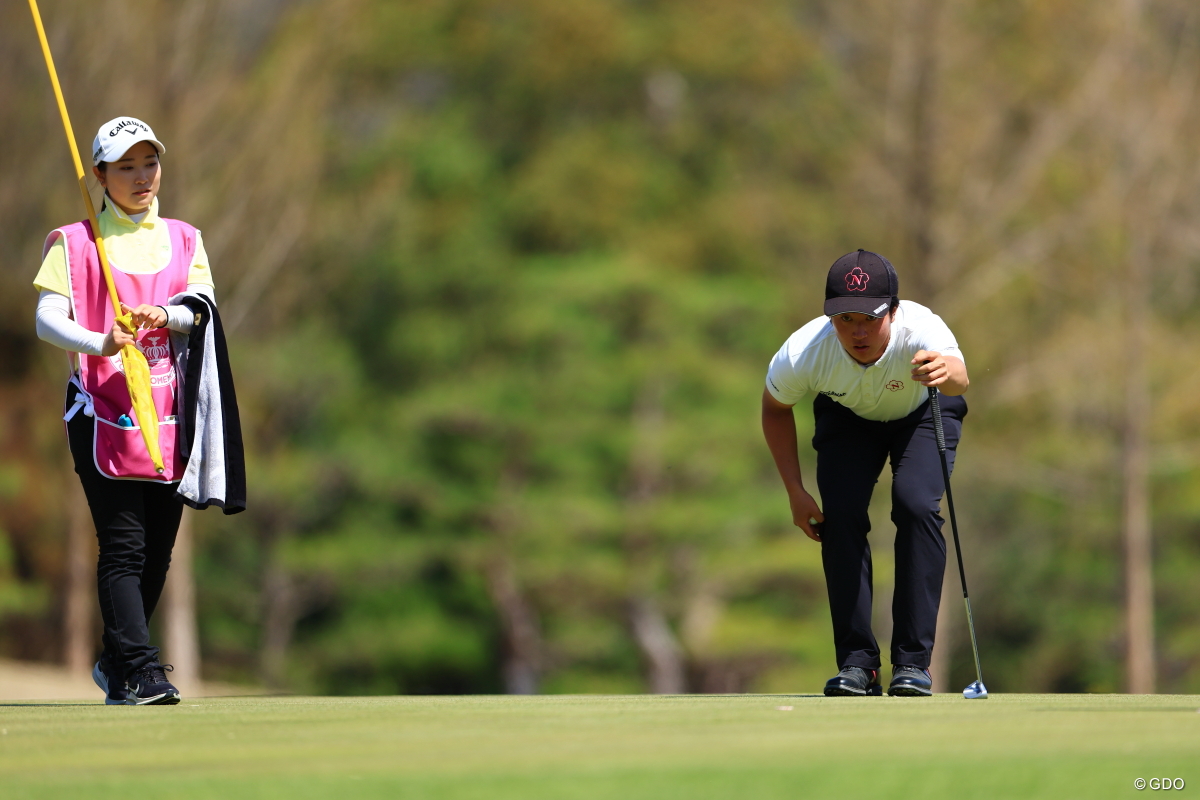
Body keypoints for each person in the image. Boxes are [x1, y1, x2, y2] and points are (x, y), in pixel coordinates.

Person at [33, 116, 236, 705]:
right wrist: (101, 342)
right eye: (125, 166)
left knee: (159, 550)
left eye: (149, 162)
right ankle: (145, 671)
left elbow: (202, 304)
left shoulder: (185, 237)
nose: (142, 176)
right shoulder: (74, 240)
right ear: (99, 174)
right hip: (101, 411)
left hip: (172, 414)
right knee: (124, 545)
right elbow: (47, 319)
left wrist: (163, 316)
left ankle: (117, 663)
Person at [761, 250, 969, 697]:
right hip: (848, 416)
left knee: (915, 504)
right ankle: (858, 665)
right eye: (845, 319)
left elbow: (960, 379)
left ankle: (913, 664)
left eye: (870, 319)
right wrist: (795, 491)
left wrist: (944, 370)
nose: (857, 332)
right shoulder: (804, 352)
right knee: (841, 514)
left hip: (921, 412)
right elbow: (774, 408)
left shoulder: (922, 330)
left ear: (893, 311)